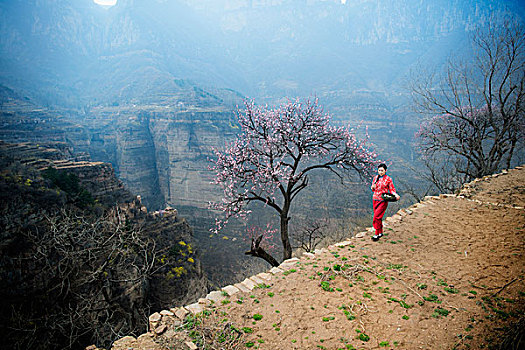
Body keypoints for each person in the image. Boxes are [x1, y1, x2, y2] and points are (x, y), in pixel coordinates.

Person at [370, 163, 400, 241]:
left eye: (382, 170)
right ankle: (380, 232)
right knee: (378, 217)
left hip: (383, 200)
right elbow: (373, 189)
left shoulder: (388, 179)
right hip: (375, 199)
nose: (380, 172)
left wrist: (395, 195)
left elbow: (392, 189)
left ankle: (376, 233)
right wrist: (372, 187)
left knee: (376, 217)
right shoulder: (375, 178)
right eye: (379, 170)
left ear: (385, 171)